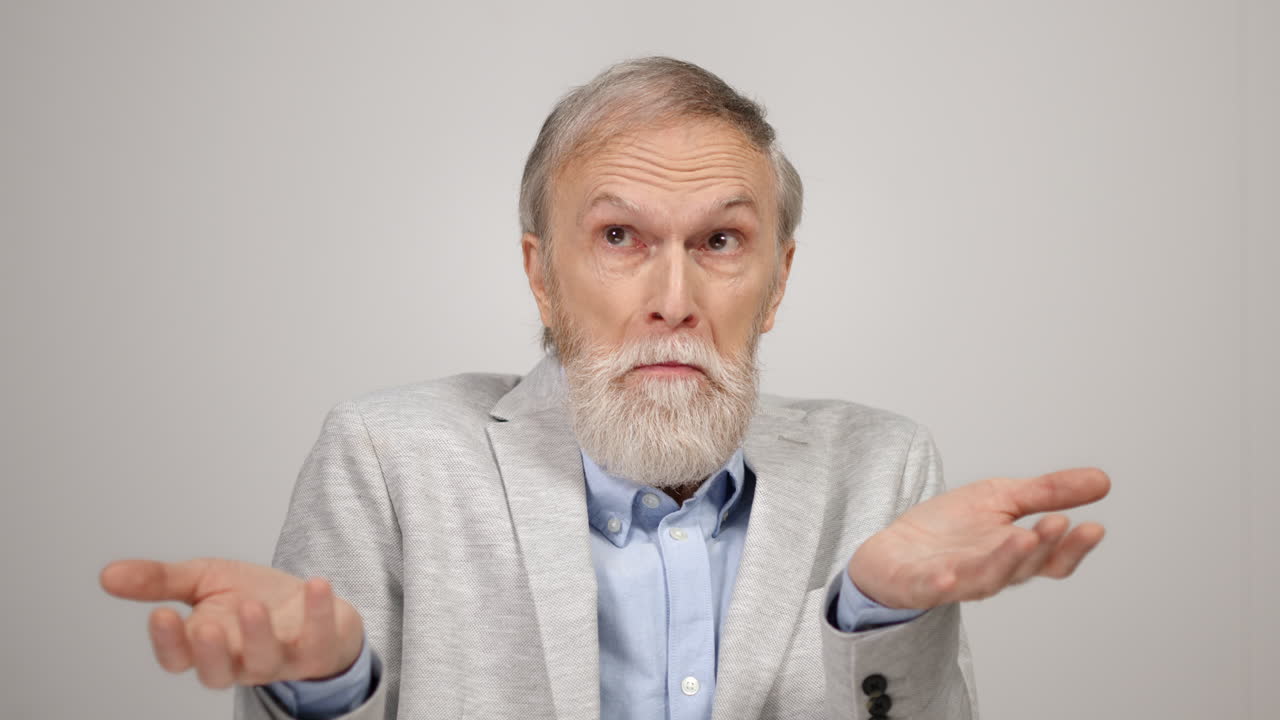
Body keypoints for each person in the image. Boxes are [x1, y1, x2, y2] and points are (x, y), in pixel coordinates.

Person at [99, 56, 1110, 720]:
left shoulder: (880, 464)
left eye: (720, 240)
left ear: (776, 280)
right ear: (541, 273)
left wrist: (869, 612)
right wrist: (325, 683)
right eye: (619, 237)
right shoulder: (388, 455)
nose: (671, 297)